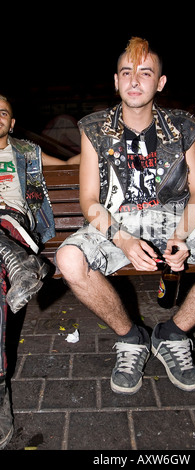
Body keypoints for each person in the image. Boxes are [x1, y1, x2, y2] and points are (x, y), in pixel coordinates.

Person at [56, 37, 195, 397]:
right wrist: (120, 236)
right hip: (118, 222)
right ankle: (131, 339)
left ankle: (173, 334)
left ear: (160, 83)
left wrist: (182, 236)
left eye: (145, 72)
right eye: (127, 72)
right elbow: (89, 200)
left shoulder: (181, 126)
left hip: (172, 219)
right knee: (68, 259)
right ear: (116, 81)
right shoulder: (95, 128)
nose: (135, 80)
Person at [0, 94, 79, 449]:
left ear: (12, 123)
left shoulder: (26, 153)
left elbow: (73, 163)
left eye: (3, 112)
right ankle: (15, 265)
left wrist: (102, 147)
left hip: (15, 227)